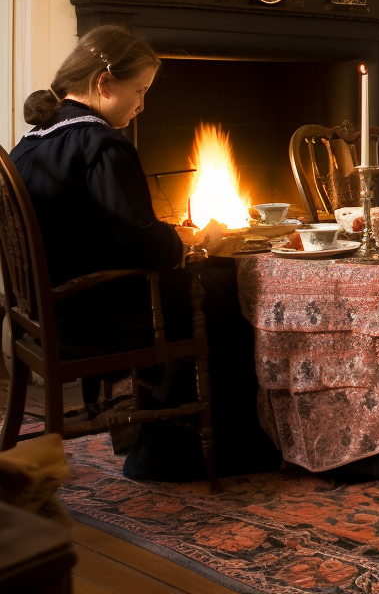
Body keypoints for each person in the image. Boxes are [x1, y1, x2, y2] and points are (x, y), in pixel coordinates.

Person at [9, 25, 280, 479]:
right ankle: (181, 451)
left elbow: (104, 231)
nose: (141, 105)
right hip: (97, 315)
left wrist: (169, 239)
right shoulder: (103, 144)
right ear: (103, 83)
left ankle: (155, 429)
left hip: (46, 313)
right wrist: (194, 241)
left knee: (204, 285)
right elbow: (141, 245)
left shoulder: (31, 143)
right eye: (139, 91)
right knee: (225, 289)